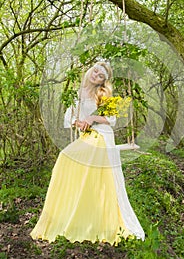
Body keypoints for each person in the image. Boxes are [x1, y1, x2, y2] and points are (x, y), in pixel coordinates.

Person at [30, 61, 145, 245]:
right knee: (66, 160)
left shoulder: (102, 93)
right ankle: (69, 214)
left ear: (102, 82)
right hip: (87, 135)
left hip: (102, 136)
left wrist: (91, 118)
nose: (96, 75)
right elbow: (70, 118)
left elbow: (112, 120)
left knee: (70, 159)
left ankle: (95, 218)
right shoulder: (77, 93)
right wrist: (80, 122)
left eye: (101, 76)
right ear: (91, 69)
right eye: (96, 71)